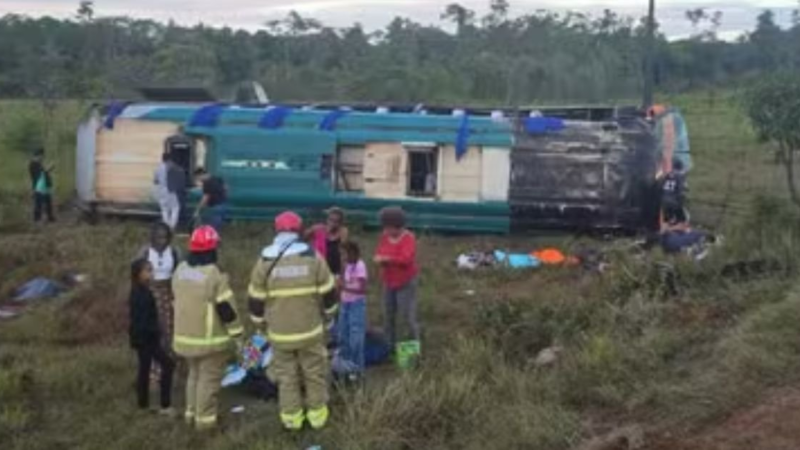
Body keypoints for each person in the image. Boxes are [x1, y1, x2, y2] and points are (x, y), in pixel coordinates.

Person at [247, 211, 336, 431]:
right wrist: (330, 316)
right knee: (314, 373)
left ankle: (292, 419)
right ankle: (317, 417)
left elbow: (255, 298)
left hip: (279, 333)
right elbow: (328, 292)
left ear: (277, 230)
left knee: (286, 376)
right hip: (310, 330)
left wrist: (260, 324)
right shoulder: (313, 256)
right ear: (299, 229)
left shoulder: (264, 260)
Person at [172, 226, 244, 431]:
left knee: (193, 376)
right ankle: (205, 425)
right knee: (208, 381)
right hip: (210, 341)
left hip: (184, 338)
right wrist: (238, 335)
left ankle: (190, 415)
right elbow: (227, 310)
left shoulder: (181, 270)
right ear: (212, 249)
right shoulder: (215, 274)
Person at [135, 222, 181, 380]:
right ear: (152, 238)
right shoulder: (145, 252)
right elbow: (137, 274)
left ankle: (168, 365)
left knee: (168, 330)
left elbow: (178, 272)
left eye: (165, 237)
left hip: (168, 294)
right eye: (159, 237)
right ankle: (152, 369)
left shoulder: (174, 252)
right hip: (150, 293)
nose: (162, 241)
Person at [129, 258, 175, 415]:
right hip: (146, 339)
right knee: (168, 365)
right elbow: (142, 320)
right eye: (147, 270)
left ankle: (143, 405)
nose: (151, 273)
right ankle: (165, 405)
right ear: (138, 274)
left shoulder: (142, 290)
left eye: (151, 269)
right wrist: (156, 332)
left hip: (143, 338)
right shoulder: (140, 294)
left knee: (145, 369)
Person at [374, 207, 421, 360]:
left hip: (405, 282)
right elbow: (380, 251)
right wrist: (380, 259)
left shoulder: (409, 238)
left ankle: (411, 354)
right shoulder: (384, 236)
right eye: (384, 227)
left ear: (396, 225)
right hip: (389, 281)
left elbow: (406, 259)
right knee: (388, 315)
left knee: (407, 317)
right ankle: (389, 348)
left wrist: (387, 259)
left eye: (387, 227)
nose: (385, 230)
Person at [305, 207, 349, 321]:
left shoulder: (343, 232)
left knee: (334, 299)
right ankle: (318, 320)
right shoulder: (319, 229)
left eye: (336, 221)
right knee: (318, 298)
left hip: (335, 271)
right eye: (330, 220)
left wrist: (343, 276)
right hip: (320, 271)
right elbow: (302, 238)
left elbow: (344, 255)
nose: (332, 223)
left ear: (340, 223)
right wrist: (312, 231)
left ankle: (334, 324)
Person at [337, 241, 368, 379]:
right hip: (345, 302)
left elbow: (362, 289)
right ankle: (345, 367)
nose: (342, 256)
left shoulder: (360, 266)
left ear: (352, 252)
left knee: (355, 335)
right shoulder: (346, 265)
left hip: (356, 303)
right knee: (343, 333)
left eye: (344, 253)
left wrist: (344, 287)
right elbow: (343, 283)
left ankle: (357, 369)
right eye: (341, 254)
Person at [193, 168, 228, 233]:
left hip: (215, 207)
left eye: (198, 178)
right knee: (218, 225)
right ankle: (217, 238)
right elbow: (226, 188)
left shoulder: (207, 183)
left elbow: (205, 198)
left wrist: (198, 210)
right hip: (223, 204)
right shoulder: (217, 178)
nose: (199, 179)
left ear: (200, 175)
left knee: (212, 227)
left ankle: (211, 240)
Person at [153, 153, 181, 230]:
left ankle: (166, 226)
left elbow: (155, 181)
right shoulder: (172, 166)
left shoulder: (157, 168)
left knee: (164, 209)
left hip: (161, 191)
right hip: (170, 190)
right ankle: (172, 226)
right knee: (175, 208)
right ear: (169, 159)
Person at [28, 148, 55, 223]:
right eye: (42, 156)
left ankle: (50, 217)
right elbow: (40, 175)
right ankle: (37, 219)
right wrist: (49, 169)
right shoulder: (33, 164)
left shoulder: (39, 164)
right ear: (38, 155)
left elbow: (43, 173)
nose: (43, 158)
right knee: (38, 203)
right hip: (39, 187)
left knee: (48, 202)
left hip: (44, 186)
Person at [662, 158, 688, 225]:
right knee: (683, 219)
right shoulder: (680, 176)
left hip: (661, 202)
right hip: (673, 202)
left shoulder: (664, 174)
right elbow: (681, 192)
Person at [166, 157, 188, 229]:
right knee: (181, 209)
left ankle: (172, 226)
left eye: (168, 163)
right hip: (181, 192)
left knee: (174, 209)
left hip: (174, 192)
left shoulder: (170, 170)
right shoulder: (181, 170)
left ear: (172, 162)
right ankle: (182, 224)